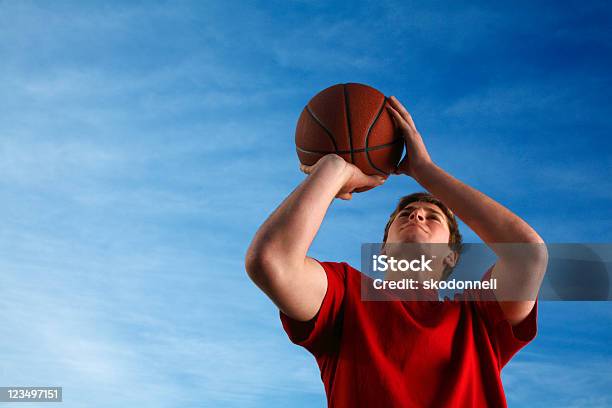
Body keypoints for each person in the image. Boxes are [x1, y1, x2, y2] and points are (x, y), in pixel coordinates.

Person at [245, 96, 548, 407]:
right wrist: (333, 169)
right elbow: (271, 261)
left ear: (451, 254)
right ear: (385, 247)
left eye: (433, 217)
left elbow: (528, 253)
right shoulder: (346, 296)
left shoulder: (477, 316)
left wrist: (425, 170)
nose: (416, 215)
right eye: (405, 214)